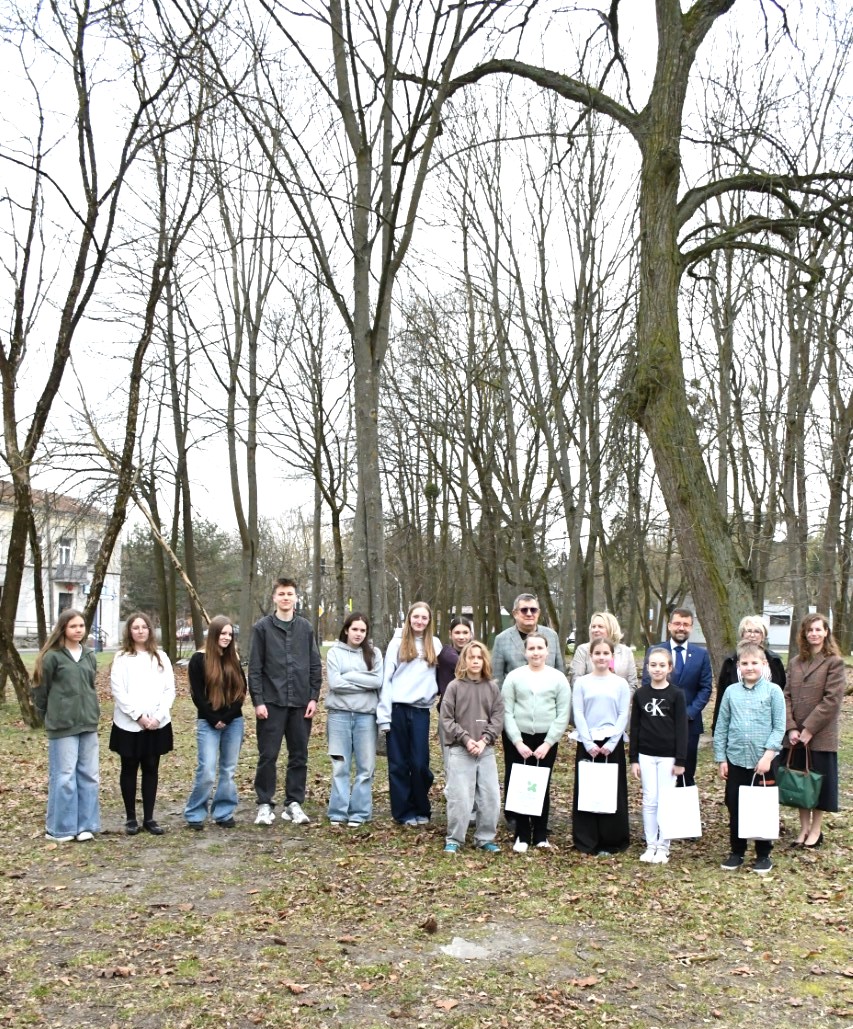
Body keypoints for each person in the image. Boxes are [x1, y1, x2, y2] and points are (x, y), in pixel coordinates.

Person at [249, 578, 322, 826]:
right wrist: (258, 701)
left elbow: (314, 664)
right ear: (275, 597)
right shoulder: (262, 629)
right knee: (268, 755)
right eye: (281, 593)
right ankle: (264, 804)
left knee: (298, 755)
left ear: (296, 597)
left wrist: (314, 696)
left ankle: (293, 803)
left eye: (290, 593)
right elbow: (255, 669)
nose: (286, 598)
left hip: (301, 702)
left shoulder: (305, 628)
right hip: (271, 703)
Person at [492, 592, 565, 821]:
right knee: (515, 766)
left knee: (542, 769)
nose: (529, 614)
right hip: (515, 717)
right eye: (524, 610)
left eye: (533, 609)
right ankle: (515, 815)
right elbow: (496, 678)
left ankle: (539, 815)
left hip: (545, 718)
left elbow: (559, 670)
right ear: (515, 613)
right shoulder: (502, 639)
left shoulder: (551, 636)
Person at [714, 640, 785, 874]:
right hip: (736, 760)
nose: (750, 667)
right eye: (745, 663)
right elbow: (722, 726)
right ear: (738, 667)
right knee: (736, 805)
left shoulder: (773, 692)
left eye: (755, 662)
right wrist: (721, 758)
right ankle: (737, 851)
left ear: (764, 664)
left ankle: (763, 854)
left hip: (763, 762)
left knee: (761, 806)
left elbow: (778, 727)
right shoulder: (731, 692)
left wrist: (768, 755)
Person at [31, 609, 100, 843]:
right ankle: (60, 828)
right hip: (62, 725)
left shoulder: (89, 655)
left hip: (87, 722)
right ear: (63, 628)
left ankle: (86, 825)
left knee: (89, 776)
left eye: (81, 626)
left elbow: (90, 685)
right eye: (73, 626)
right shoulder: (52, 656)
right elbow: (40, 689)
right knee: (64, 777)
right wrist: (47, 714)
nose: (78, 630)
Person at [501, 633, 571, 852]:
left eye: (540, 648)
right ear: (525, 652)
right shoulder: (513, 677)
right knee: (519, 785)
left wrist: (549, 742)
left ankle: (540, 834)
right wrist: (517, 741)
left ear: (547, 651)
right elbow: (506, 711)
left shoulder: (558, 678)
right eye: (531, 649)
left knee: (541, 785)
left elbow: (563, 713)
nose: (536, 652)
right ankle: (521, 835)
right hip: (518, 739)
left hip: (545, 740)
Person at [109, 612, 175, 835]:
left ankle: (149, 817)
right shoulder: (121, 658)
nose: (140, 631)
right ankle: (130, 818)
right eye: (135, 627)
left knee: (151, 768)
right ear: (129, 631)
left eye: (144, 627)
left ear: (150, 629)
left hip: (156, 723)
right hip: (129, 724)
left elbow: (169, 690)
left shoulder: (161, 657)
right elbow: (118, 690)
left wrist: (157, 716)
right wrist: (138, 716)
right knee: (129, 769)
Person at [783, 613, 845, 849]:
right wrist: (791, 728)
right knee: (800, 783)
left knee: (818, 783)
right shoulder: (795, 662)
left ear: (826, 632)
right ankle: (803, 829)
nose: (814, 634)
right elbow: (786, 696)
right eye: (810, 630)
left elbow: (832, 700)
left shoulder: (834, 663)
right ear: (804, 634)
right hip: (795, 736)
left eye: (818, 629)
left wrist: (809, 728)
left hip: (820, 736)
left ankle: (816, 831)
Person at [376, 601, 441, 825]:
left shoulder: (435, 644)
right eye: (416, 617)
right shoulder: (397, 644)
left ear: (429, 621)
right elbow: (386, 680)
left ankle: (421, 807)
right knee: (399, 764)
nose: (419, 621)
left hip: (421, 711)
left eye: (424, 618)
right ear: (409, 619)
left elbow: (446, 672)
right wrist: (383, 717)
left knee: (420, 763)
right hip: (398, 710)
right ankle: (403, 812)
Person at [440, 640, 504, 854]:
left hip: (485, 751)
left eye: (479, 657)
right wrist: (466, 739)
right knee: (460, 797)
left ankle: (485, 838)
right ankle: (455, 838)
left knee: (491, 796)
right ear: (464, 661)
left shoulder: (492, 687)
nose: (475, 661)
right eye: (471, 657)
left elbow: (497, 716)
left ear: (484, 660)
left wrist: (485, 739)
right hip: (460, 750)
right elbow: (446, 719)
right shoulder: (454, 687)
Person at [184, 616, 247, 829]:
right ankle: (195, 813)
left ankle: (223, 812)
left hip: (234, 722)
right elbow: (197, 695)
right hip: (208, 722)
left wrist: (227, 717)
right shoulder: (198, 659)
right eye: (223, 633)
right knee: (207, 771)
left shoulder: (233, 659)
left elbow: (241, 692)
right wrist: (214, 718)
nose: (227, 637)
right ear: (213, 635)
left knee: (228, 770)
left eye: (230, 634)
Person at [572, 636, 631, 856]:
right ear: (591, 656)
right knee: (588, 790)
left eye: (606, 653)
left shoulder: (620, 683)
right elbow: (578, 712)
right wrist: (588, 742)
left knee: (611, 792)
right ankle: (587, 840)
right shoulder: (582, 682)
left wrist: (612, 742)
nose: (602, 657)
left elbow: (623, 713)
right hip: (587, 743)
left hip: (611, 744)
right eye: (597, 653)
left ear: (612, 657)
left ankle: (612, 840)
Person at [629, 647, 688, 864]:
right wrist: (633, 758)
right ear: (647, 667)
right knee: (649, 800)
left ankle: (664, 846)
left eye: (662, 665)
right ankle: (650, 844)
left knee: (666, 800)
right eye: (653, 665)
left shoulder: (677, 695)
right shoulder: (641, 694)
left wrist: (680, 760)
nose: (657, 669)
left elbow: (682, 729)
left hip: (668, 757)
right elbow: (634, 727)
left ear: (669, 668)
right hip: (646, 754)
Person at [641, 608, 711, 787]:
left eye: (686, 624)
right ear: (670, 625)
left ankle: (682, 814)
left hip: (689, 724)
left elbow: (705, 688)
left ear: (691, 627)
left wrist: (688, 713)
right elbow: (648, 684)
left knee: (685, 776)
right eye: (678, 623)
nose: (681, 628)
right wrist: (667, 714)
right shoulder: (655, 651)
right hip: (659, 724)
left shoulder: (701, 655)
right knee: (660, 779)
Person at [325, 612, 383, 826]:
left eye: (363, 630)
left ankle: (359, 812)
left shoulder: (374, 653)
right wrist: (362, 684)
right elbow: (335, 683)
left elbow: (377, 681)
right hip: (339, 716)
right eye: (355, 629)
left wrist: (347, 676)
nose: (358, 634)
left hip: (365, 717)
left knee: (365, 767)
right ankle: (338, 811)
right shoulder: (334, 653)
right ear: (347, 630)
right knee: (340, 765)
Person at [711, 615, 786, 734]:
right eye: (749, 631)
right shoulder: (730, 662)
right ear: (742, 634)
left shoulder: (775, 661)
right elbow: (722, 696)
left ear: (763, 635)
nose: (752, 635)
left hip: (767, 723)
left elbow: (782, 691)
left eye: (757, 631)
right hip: (738, 722)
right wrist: (717, 728)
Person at [570, 611, 638, 693]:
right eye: (593, 627)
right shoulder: (583, 650)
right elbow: (576, 681)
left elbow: (632, 684)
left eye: (600, 626)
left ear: (611, 628)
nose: (595, 630)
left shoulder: (626, 652)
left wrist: (622, 701)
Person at [436, 616, 474, 761]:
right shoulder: (447, 654)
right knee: (452, 760)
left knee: (471, 756)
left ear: (470, 634)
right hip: (450, 714)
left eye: (465, 632)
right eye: (457, 633)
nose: (461, 637)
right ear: (450, 633)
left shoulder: (473, 653)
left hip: (472, 712)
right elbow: (466, 668)